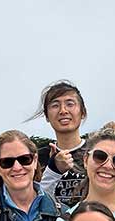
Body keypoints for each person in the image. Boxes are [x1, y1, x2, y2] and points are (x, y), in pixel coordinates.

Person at [33, 80, 88, 208]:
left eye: (70, 104)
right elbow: (32, 204)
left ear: (83, 112)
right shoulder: (34, 159)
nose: (63, 111)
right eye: (55, 105)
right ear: (46, 116)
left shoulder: (98, 154)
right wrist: (53, 169)